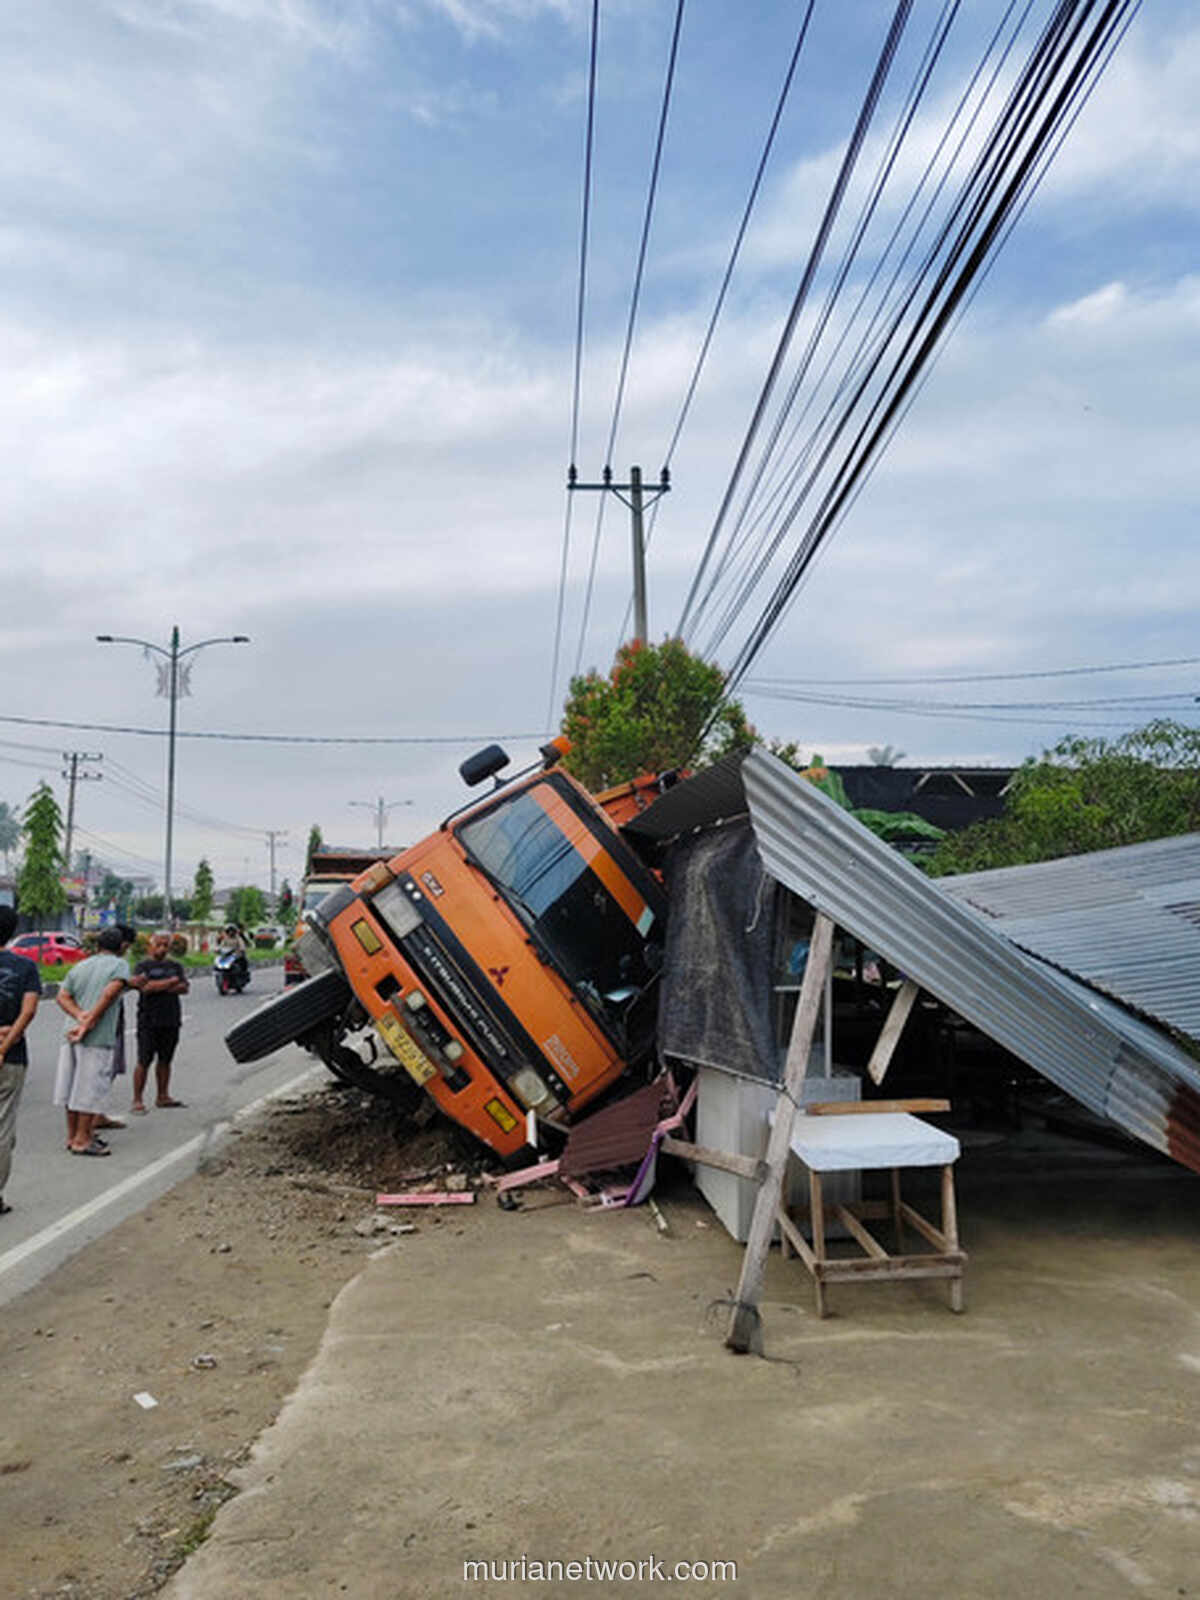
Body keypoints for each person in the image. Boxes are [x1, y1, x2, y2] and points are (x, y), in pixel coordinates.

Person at [53, 926, 131, 1157]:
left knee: (70, 1086)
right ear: (121, 947)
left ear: (97, 946)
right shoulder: (119, 965)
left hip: (70, 1033)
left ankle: (72, 1136)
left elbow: (62, 996)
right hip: (96, 1037)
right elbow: (110, 993)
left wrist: (79, 1016)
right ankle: (83, 1139)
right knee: (88, 1088)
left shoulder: (81, 966)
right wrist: (90, 1021)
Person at [0, 906, 42, 1214]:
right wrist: (4, 1045)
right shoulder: (25, 967)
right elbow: (28, 1012)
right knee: (3, 1127)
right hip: (11, 1056)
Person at [130, 931, 189, 1113]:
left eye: (166, 945)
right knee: (144, 1060)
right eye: (159, 945)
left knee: (165, 1059)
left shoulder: (175, 966)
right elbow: (145, 988)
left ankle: (163, 1096)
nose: (162, 949)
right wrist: (170, 983)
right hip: (148, 1020)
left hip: (171, 1019)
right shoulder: (142, 966)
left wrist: (160, 986)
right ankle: (137, 1099)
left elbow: (184, 987)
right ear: (151, 946)